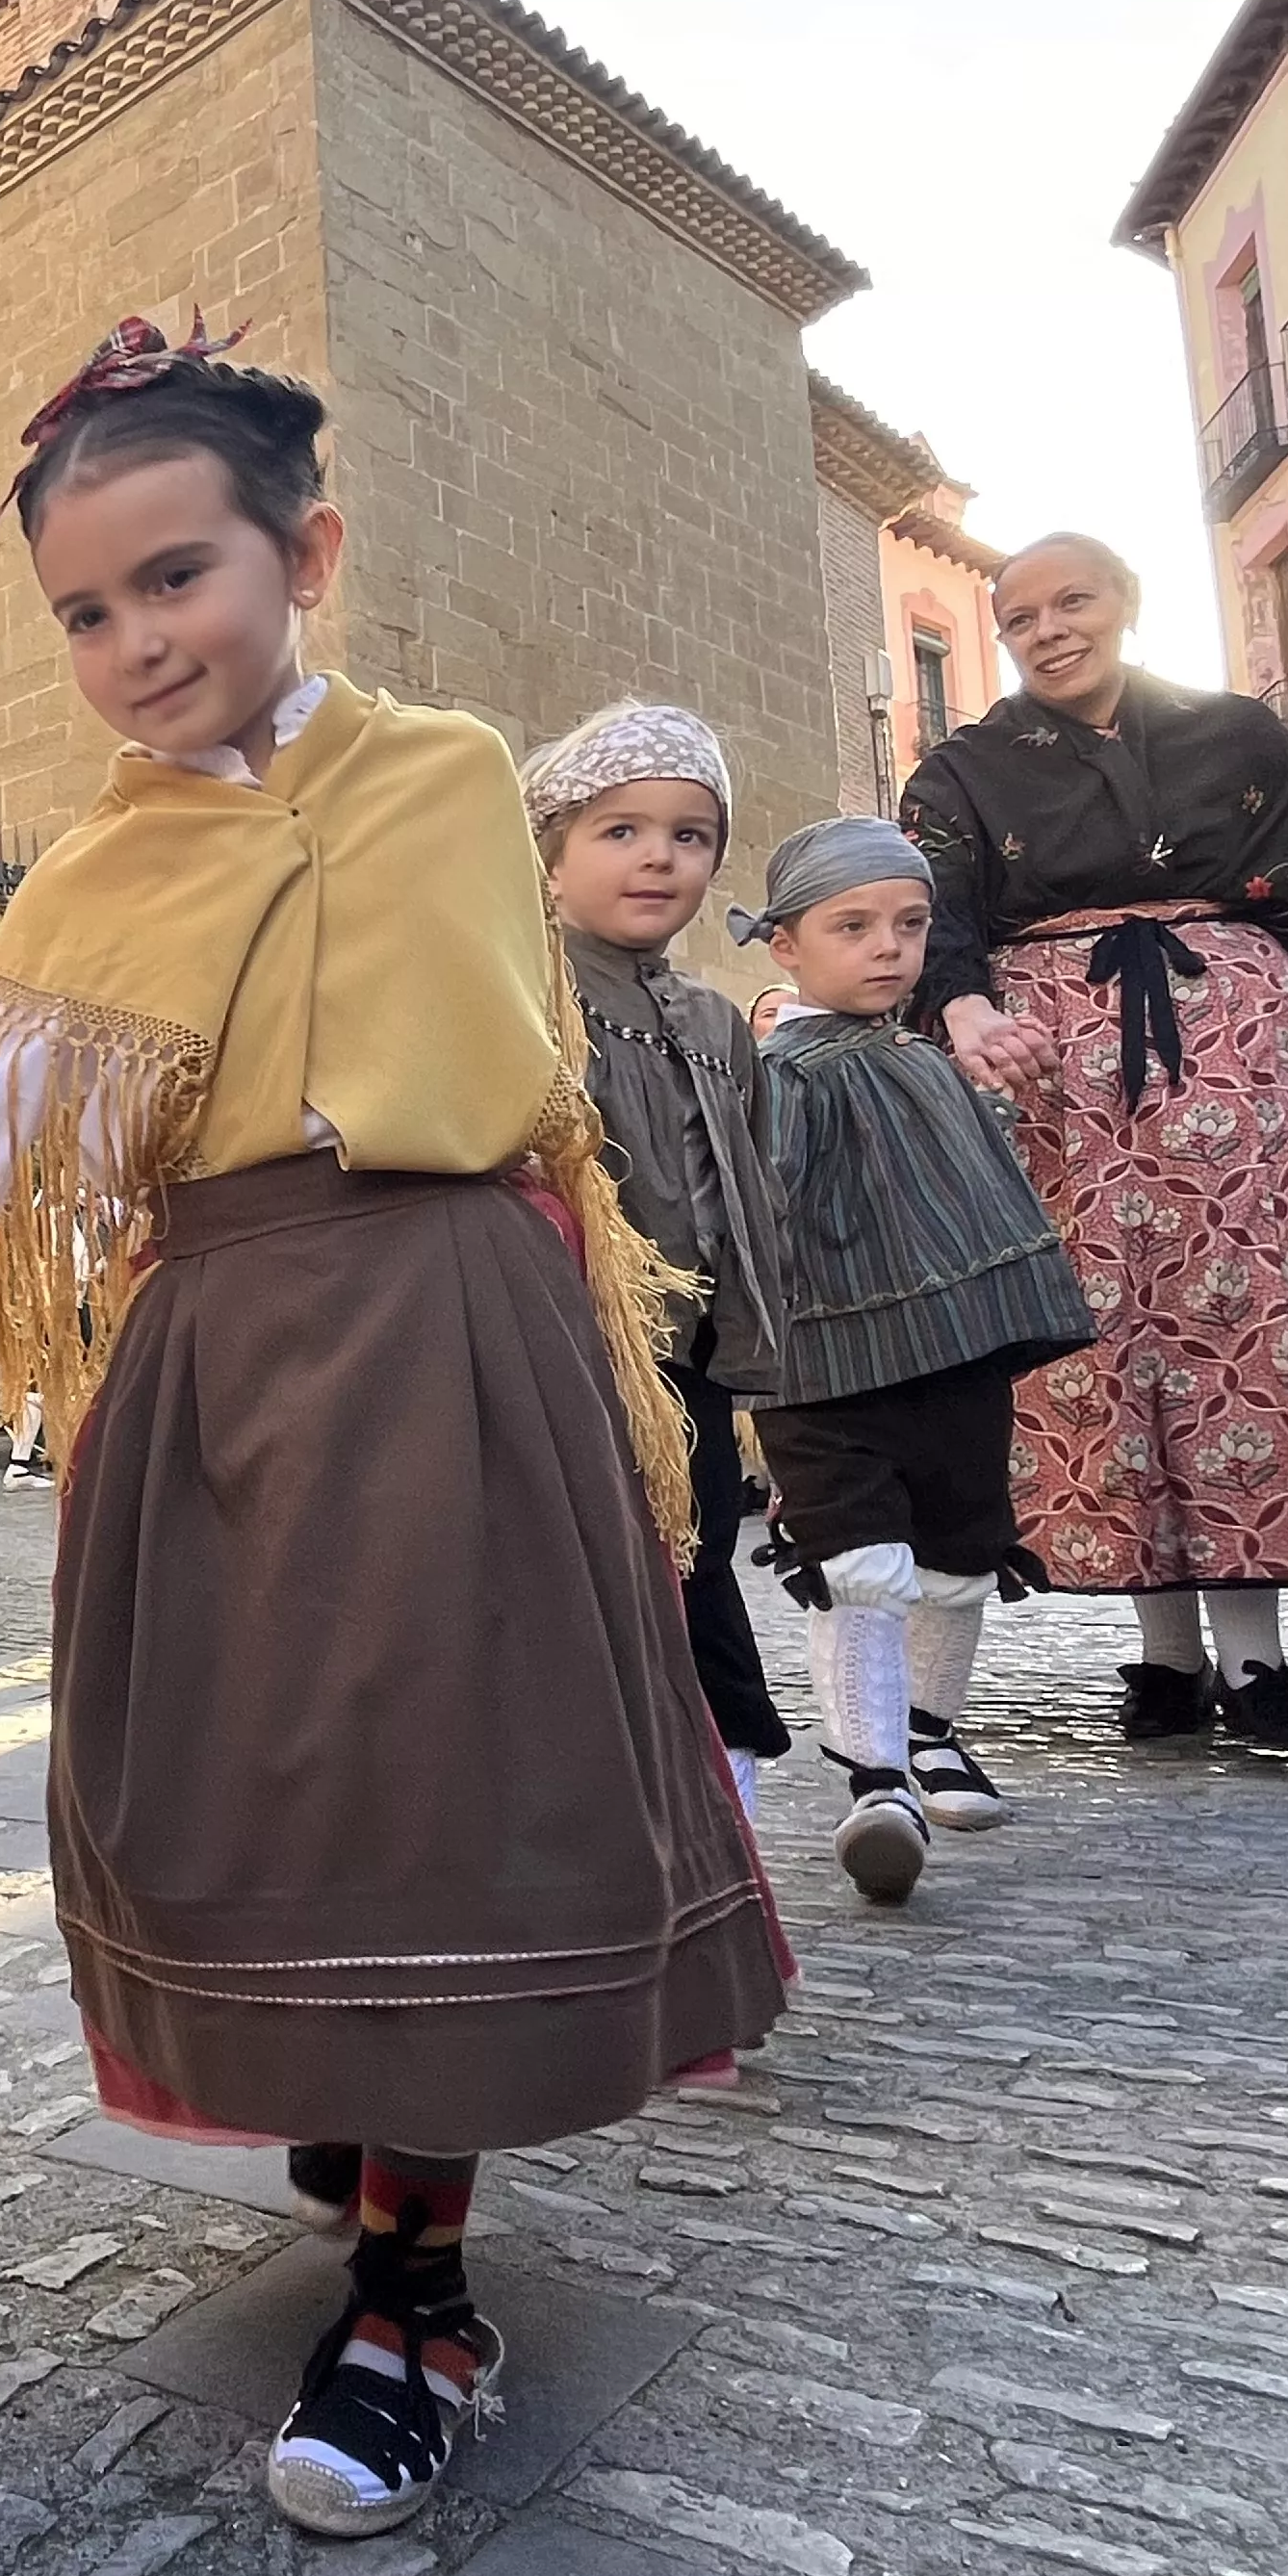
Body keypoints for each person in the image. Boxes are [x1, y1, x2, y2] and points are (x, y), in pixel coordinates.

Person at [0, 317, 784, 2544]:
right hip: (208, 1353)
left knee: (427, 1790)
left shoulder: (443, 774)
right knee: (250, 1782)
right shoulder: (107, 865)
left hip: (437, 1330)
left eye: (176, 577)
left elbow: (499, 1069)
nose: (132, 642)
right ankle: (355, 2106)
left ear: (305, 550)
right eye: (84, 612)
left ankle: (420, 2300)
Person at [902, 533, 1288, 1757]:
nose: (1047, 628)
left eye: (1071, 601)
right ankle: (1166, 1655)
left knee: (1250, 1341)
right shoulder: (965, 769)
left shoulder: (1242, 737)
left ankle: (1259, 1662)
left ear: (1127, 605)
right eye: (1018, 614)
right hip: (1066, 1096)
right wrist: (966, 1004)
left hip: (1257, 1092)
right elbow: (940, 917)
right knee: (1114, 1349)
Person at [734, 822, 1094, 1901]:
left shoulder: (926, 1063)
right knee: (859, 1567)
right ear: (784, 946)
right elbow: (760, 1206)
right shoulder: (776, 1078)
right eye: (853, 927)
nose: (888, 948)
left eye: (909, 924)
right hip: (829, 1362)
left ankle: (932, 1732)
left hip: (951, 1355)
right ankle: (875, 1776)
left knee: (957, 1549)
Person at [524, 700, 798, 1791]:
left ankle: (725, 1791)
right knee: (590, 1570)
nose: (659, 858)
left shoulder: (722, 1022)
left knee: (699, 1559)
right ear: (550, 857)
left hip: (696, 1354)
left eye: (690, 836)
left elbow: (754, 1182)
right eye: (619, 830)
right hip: (574, 1344)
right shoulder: (528, 989)